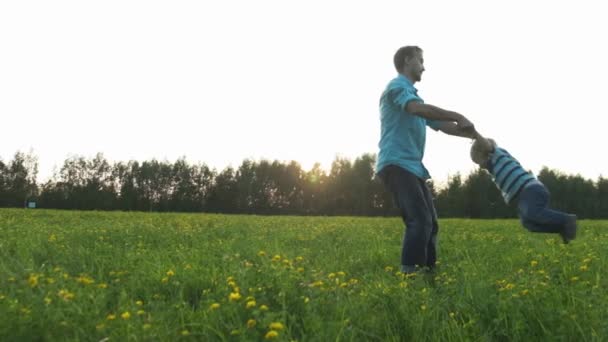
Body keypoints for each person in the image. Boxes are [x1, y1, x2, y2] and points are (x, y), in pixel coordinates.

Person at [376, 46, 477, 274]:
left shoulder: (413, 96)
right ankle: (410, 276)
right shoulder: (397, 87)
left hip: (411, 167)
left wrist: (475, 136)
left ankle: (429, 275)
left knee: (430, 223)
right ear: (408, 60)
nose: (424, 66)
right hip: (396, 163)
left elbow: (441, 125)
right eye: (420, 61)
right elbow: (417, 110)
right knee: (419, 220)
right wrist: (457, 115)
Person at [470, 132, 577, 243]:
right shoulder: (494, 170)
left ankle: (567, 219)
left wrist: (475, 135)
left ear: (485, 152)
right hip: (523, 197)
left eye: (478, 161)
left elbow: (485, 144)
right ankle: (561, 228)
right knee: (529, 224)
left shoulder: (497, 154)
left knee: (533, 214)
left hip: (530, 189)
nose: (480, 166)